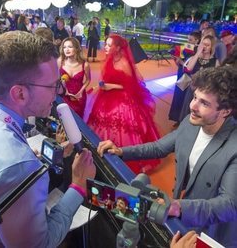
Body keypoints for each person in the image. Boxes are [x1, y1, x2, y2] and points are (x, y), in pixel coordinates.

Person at [97, 66, 237, 247]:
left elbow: (228, 204)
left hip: (214, 231)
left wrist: (179, 206)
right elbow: (158, 147)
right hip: (186, 216)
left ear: (225, 111)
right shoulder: (190, 122)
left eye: (204, 103)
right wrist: (122, 151)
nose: (192, 106)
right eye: (195, 97)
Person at [0, 31, 96, 247]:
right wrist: (78, 186)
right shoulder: (19, 167)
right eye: (53, 86)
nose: (57, 94)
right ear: (19, 94)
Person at [88, 34, 160, 174]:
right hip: (106, 96)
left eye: (109, 45)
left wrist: (112, 86)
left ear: (118, 47)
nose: (106, 47)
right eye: (106, 44)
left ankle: (125, 154)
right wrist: (102, 86)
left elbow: (131, 85)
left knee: (124, 127)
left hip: (122, 98)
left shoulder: (125, 63)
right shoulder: (109, 60)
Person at [179, 34, 220, 121]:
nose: (204, 47)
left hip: (204, 92)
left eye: (207, 45)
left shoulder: (215, 62)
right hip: (191, 89)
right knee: (187, 110)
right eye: (203, 44)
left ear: (212, 47)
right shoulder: (195, 57)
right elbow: (189, 68)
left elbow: (216, 79)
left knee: (198, 113)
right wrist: (198, 53)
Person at [169, 31, 201, 126]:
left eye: (190, 40)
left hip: (189, 77)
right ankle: (177, 118)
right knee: (178, 97)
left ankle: (183, 120)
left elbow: (191, 68)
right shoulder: (186, 48)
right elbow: (180, 62)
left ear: (197, 40)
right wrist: (177, 60)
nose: (188, 41)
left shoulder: (198, 52)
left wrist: (182, 63)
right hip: (182, 74)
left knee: (185, 99)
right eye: (188, 39)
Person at [58, 37, 90, 118]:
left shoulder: (85, 64)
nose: (67, 49)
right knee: (64, 120)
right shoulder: (60, 61)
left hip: (79, 97)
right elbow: (56, 79)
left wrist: (80, 92)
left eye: (70, 47)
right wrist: (64, 90)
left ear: (76, 48)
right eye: (64, 47)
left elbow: (88, 80)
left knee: (78, 121)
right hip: (64, 96)